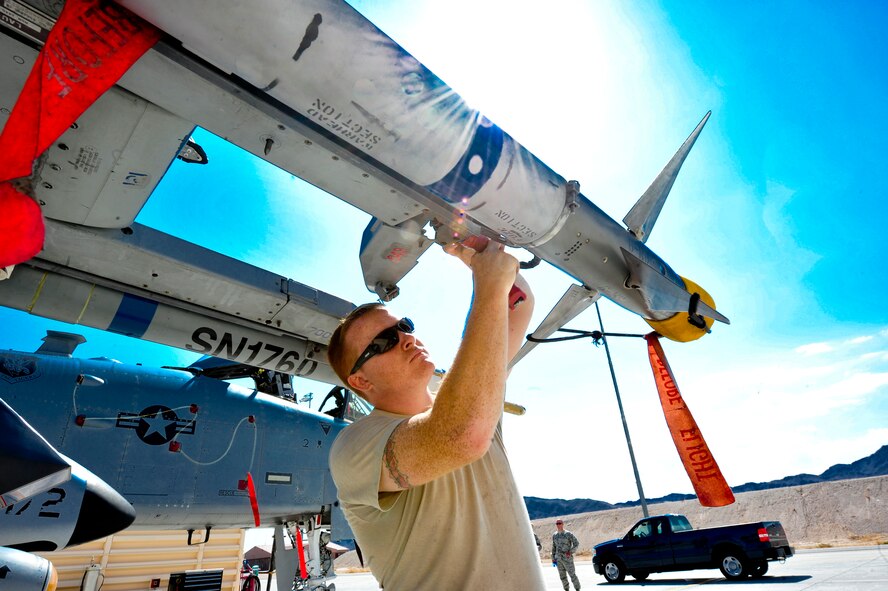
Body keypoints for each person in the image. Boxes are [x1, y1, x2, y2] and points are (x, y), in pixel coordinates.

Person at [327, 237, 544, 590]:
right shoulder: (353, 447)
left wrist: (481, 254)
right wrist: (488, 285)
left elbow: (518, 305)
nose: (406, 339)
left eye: (404, 326)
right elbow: (460, 436)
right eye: (382, 343)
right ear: (359, 380)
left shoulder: (472, 398)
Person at [552, 519, 581, 591]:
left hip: (567, 559)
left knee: (572, 575)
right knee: (562, 577)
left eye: (560, 523)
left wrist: (570, 552)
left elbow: (576, 543)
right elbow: (554, 547)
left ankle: (577, 589)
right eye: (557, 523)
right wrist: (553, 558)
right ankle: (566, 589)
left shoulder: (568, 534)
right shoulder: (555, 535)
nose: (558, 525)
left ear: (562, 524)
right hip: (559, 560)